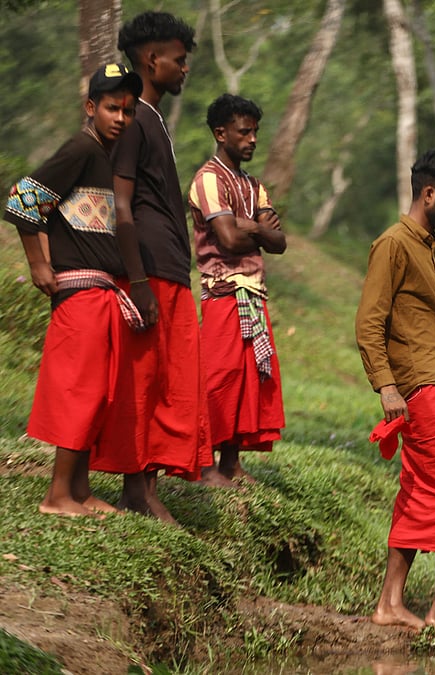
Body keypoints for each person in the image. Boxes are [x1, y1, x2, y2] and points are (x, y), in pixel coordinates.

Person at [4, 64, 148, 516]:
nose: (120, 118)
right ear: (91, 108)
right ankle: (57, 494)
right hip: (80, 292)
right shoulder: (81, 148)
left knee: (97, 391)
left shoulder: (105, 156)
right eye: (111, 108)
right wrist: (38, 263)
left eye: (127, 110)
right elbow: (23, 200)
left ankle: (81, 491)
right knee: (79, 391)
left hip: (102, 293)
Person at [355, 148, 435, 639]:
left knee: (418, 491)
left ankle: (390, 603)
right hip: (428, 388)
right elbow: (370, 323)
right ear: (429, 193)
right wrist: (386, 386)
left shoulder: (427, 248)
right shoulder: (393, 244)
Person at [106, 10, 209, 524]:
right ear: (152, 59)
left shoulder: (154, 118)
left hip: (170, 269)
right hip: (148, 272)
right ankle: (136, 488)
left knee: (172, 380)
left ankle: (145, 484)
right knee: (145, 380)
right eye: (179, 59)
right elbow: (119, 206)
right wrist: (139, 282)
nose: (184, 68)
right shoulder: (130, 119)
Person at [188, 94, 287, 485]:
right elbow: (228, 239)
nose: (252, 140)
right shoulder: (208, 179)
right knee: (219, 376)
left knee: (250, 376)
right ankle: (204, 463)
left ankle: (231, 462)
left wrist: (255, 230)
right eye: (244, 132)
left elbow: (280, 242)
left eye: (255, 132)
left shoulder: (253, 185)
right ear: (220, 133)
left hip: (253, 293)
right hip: (222, 292)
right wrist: (259, 230)